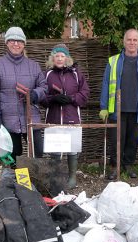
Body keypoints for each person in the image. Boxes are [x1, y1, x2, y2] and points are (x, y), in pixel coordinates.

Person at [99, 28, 138, 180]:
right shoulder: (113, 61)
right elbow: (106, 84)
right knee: (116, 139)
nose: (132, 42)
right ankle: (114, 166)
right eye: (129, 40)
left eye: (135, 40)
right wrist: (104, 107)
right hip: (116, 109)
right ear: (124, 42)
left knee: (133, 139)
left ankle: (128, 164)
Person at [0, 26, 47, 164]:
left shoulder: (33, 66)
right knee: (14, 156)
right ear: (6, 43)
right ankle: (16, 182)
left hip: (31, 118)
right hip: (8, 120)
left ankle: (36, 182)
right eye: (12, 40)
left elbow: (44, 86)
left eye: (19, 41)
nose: (16, 44)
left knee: (37, 154)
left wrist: (35, 95)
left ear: (24, 44)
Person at [42, 43, 90, 189]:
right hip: (54, 117)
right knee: (55, 147)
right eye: (56, 56)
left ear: (67, 58)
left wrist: (72, 99)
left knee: (72, 147)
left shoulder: (76, 74)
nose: (59, 59)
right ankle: (55, 176)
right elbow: (42, 96)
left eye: (62, 56)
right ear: (52, 58)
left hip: (72, 116)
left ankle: (72, 177)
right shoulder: (47, 75)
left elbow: (85, 92)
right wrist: (53, 99)